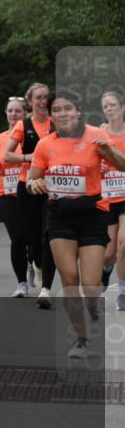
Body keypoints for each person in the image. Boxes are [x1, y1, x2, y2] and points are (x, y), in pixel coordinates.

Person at [26, 89, 125, 357]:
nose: (62, 114)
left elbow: (122, 165)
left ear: (78, 111)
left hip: (92, 216)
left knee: (90, 283)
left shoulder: (96, 136)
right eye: (57, 110)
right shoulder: (45, 145)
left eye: (68, 108)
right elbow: (31, 178)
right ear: (51, 115)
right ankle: (81, 339)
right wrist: (34, 183)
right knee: (69, 278)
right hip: (60, 217)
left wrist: (108, 151)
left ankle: (92, 306)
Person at [5, 83, 57, 308]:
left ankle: (46, 288)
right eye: (39, 98)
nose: (43, 101)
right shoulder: (23, 125)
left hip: (53, 186)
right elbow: (7, 155)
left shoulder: (58, 124)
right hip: (28, 186)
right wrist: (31, 158)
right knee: (33, 236)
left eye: (46, 97)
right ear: (30, 101)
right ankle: (36, 263)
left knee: (49, 235)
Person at [0, 97, 31, 297]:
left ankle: (34, 262)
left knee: (32, 238)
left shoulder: (32, 137)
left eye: (18, 111)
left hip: (29, 193)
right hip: (6, 195)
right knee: (17, 239)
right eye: (10, 111)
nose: (13, 114)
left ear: (25, 114)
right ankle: (21, 283)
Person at [96, 91, 125, 311]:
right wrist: (100, 167)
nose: (109, 109)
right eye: (105, 106)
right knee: (109, 252)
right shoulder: (98, 134)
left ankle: (122, 291)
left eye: (113, 105)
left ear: (122, 107)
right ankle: (106, 271)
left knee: (124, 245)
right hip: (107, 198)